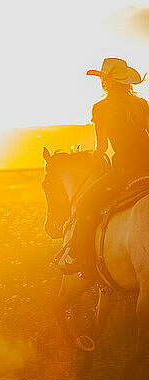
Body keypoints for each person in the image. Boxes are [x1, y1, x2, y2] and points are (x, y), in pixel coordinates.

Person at [70, 58, 149, 273]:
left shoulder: (101, 107)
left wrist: (91, 157)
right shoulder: (141, 105)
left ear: (107, 82)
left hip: (125, 170)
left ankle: (84, 261)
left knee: (84, 205)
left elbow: (102, 147)